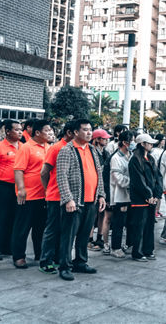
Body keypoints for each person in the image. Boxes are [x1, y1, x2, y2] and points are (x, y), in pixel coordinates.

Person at [55, 119, 106, 281]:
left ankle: (81, 262)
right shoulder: (67, 150)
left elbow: (99, 174)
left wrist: (101, 195)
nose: (89, 133)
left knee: (84, 234)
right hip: (75, 201)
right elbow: (61, 176)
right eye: (85, 130)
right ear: (76, 132)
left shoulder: (92, 149)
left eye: (90, 130)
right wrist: (68, 199)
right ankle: (64, 266)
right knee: (68, 236)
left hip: (91, 200)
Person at [10, 120, 52, 268]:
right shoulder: (26, 148)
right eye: (47, 130)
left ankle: (40, 254)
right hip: (29, 194)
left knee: (40, 228)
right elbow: (18, 170)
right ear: (38, 132)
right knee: (22, 227)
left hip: (44, 194)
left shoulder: (49, 147)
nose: (50, 133)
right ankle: (19, 256)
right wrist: (21, 189)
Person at [38, 121, 74, 273]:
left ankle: (60, 258)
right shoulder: (57, 148)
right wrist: (48, 190)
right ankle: (46, 261)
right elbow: (44, 172)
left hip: (70, 197)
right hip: (55, 196)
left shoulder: (74, 148)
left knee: (65, 230)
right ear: (69, 133)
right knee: (52, 230)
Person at [0, 120, 22, 260]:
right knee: (0, 219)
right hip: (3, 186)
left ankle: (7, 248)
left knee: (14, 218)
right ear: (8, 131)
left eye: (21, 129)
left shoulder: (23, 147)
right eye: (16, 129)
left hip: (18, 187)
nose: (20, 132)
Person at [128, 133, 162, 261]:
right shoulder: (135, 159)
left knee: (149, 225)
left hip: (151, 197)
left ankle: (148, 250)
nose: (152, 145)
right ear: (142, 144)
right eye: (149, 143)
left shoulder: (151, 158)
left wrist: (157, 194)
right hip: (140, 198)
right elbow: (138, 180)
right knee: (139, 226)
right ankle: (137, 252)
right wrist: (148, 195)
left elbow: (158, 177)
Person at [108, 131, 133, 258]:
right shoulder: (115, 158)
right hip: (120, 195)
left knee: (130, 222)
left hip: (130, 195)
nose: (133, 143)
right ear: (125, 142)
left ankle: (128, 244)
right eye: (131, 141)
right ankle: (115, 247)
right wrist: (133, 182)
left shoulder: (131, 155)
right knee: (119, 223)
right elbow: (118, 178)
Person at [89, 128, 111, 253]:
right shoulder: (91, 151)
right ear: (97, 139)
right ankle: (89, 239)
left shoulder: (106, 153)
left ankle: (99, 238)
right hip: (93, 186)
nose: (107, 141)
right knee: (92, 214)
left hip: (103, 186)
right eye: (104, 139)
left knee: (102, 212)